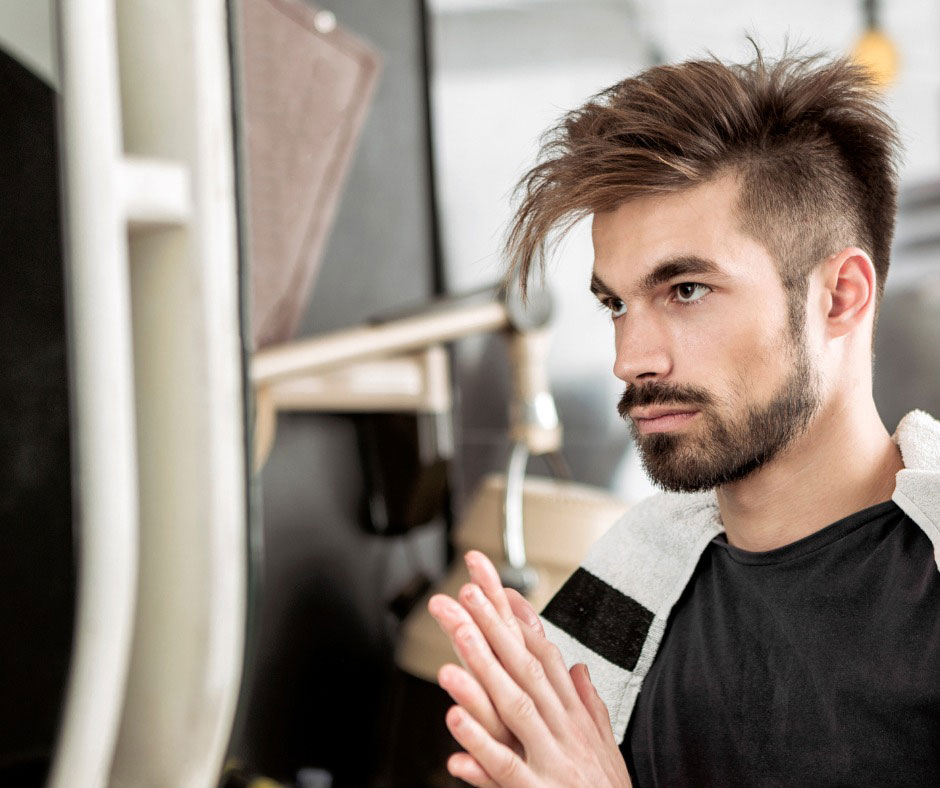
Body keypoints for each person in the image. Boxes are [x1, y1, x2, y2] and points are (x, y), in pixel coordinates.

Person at [426, 46, 940, 787]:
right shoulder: (633, 578)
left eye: (688, 290)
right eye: (616, 304)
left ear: (840, 297)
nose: (630, 358)